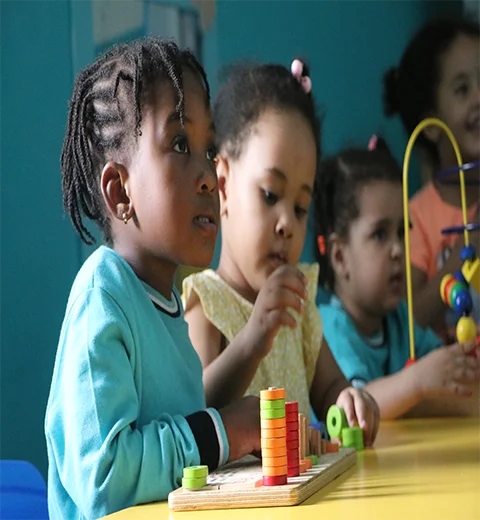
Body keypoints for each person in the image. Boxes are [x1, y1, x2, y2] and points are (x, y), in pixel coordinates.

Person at [45, 37, 261, 520]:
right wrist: (224, 432)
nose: (209, 175)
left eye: (208, 150)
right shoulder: (103, 296)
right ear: (120, 191)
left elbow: (176, 434)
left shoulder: (163, 300)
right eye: (181, 144)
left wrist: (238, 439)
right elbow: (105, 478)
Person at [182, 59, 380, 442]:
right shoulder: (207, 305)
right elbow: (194, 417)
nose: (287, 223)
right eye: (270, 194)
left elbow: (329, 389)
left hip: (310, 498)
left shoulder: (297, 302)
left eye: (301, 207)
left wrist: (350, 400)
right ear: (222, 186)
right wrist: (254, 338)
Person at [314, 137, 480, 419]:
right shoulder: (329, 327)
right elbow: (359, 403)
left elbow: (440, 368)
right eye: (380, 234)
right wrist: (416, 381)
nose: (398, 250)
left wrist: (462, 363)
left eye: (403, 233)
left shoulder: (400, 318)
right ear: (340, 257)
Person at [384, 18, 480, 341]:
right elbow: (410, 321)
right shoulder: (415, 218)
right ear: (432, 126)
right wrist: (466, 250)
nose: (479, 97)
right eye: (463, 89)